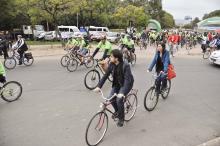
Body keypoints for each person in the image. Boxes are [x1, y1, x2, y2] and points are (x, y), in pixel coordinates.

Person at [94, 49, 134, 127]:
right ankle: (118, 111)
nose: (110, 58)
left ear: (117, 58)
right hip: (117, 84)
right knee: (110, 98)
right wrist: (99, 86)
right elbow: (105, 76)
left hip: (126, 84)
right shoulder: (112, 64)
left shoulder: (125, 65)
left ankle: (121, 119)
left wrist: (122, 93)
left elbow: (127, 80)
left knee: (119, 100)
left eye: (111, 56)